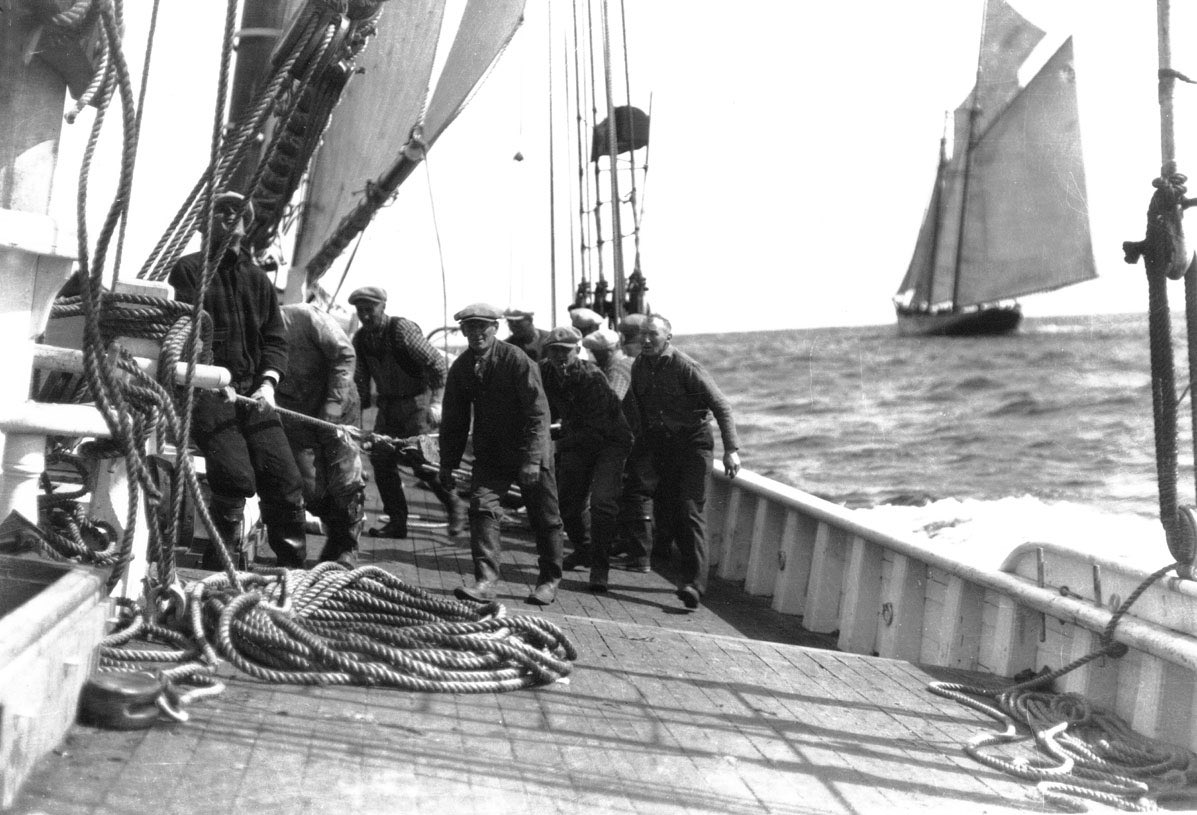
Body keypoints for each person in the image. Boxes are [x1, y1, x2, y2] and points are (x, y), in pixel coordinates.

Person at [169, 191, 308, 569]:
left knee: (285, 480)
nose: (231, 216)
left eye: (238, 212)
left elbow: (275, 339)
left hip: (252, 394)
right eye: (221, 210)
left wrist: (267, 384)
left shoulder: (258, 281)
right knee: (235, 476)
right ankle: (219, 566)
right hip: (207, 392)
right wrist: (213, 376)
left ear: (247, 226)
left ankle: (294, 572)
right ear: (204, 222)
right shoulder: (188, 270)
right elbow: (186, 330)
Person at [439, 302, 564, 605]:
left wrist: (533, 460)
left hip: (528, 451)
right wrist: (448, 464)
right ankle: (485, 581)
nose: (476, 333)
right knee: (482, 508)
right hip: (492, 454)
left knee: (545, 518)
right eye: (470, 327)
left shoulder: (517, 360)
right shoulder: (462, 367)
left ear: (495, 328)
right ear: (463, 331)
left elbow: (538, 414)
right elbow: (454, 418)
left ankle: (548, 580)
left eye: (483, 326)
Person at [622, 314, 742, 610]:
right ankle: (654, 555)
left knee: (690, 510)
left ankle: (695, 586)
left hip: (694, 445)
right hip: (661, 444)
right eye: (643, 336)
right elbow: (633, 405)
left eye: (654, 335)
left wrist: (731, 449)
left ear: (668, 337)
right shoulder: (640, 365)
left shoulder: (685, 366)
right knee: (653, 498)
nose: (647, 341)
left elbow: (722, 406)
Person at [350, 286, 465, 539]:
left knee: (425, 463)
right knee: (380, 460)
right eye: (361, 311)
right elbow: (360, 383)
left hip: (417, 405)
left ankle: (455, 505)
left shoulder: (401, 330)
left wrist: (437, 403)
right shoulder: (361, 340)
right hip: (388, 408)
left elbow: (437, 365)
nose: (366, 316)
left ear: (383, 307)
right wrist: (355, 421)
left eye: (370, 310)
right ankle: (397, 522)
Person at [539, 326, 633, 591]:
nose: (559, 356)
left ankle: (600, 568)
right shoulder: (545, 371)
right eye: (554, 351)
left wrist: (555, 444)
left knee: (602, 503)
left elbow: (596, 429)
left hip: (610, 441)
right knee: (568, 504)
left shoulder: (592, 377)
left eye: (565, 351)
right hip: (577, 438)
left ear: (577, 350)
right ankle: (585, 549)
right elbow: (535, 402)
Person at [277, 302, 366, 567]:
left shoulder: (305, 317)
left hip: (338, 409)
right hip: (296, 414)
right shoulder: (251, 332)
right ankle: (336, 536)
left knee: (345, 478)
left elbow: (344, 354)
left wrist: (333, 405)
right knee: (309, 485)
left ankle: (347, 547)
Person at [581, 327, 632, 399]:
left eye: (596, 353)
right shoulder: (627, 361)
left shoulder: (618, 369)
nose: (595, 357)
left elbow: (614, 401)